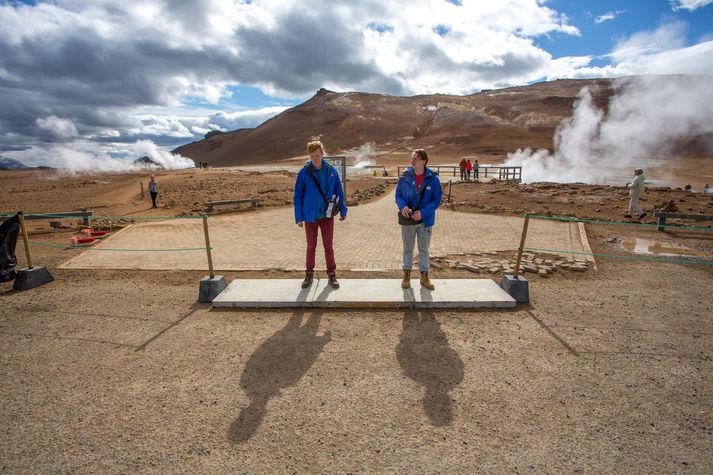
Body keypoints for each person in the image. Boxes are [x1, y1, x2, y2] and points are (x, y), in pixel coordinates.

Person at [294, 140, 347, 289]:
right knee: (311, 246)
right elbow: (298, 196)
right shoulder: (304, 173)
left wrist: (343, 210)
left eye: (317, 155)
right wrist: (299, 217)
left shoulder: (331, 171)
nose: (315, 159)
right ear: (309, 156)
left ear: (322, 154)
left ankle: (331, 274)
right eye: (312, 156)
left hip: (327, 216)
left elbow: (339, 192)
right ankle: (309, 274)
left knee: (328, 246)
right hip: (310, 216)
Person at [396, 149, 443, 290]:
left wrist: (423, 213)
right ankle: (407, 275)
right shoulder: (405, 176)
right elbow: (398, 195)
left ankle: (424, 276)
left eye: (415, 159)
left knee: (424, 250)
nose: (412, 161)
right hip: (408, 220)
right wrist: (403, 206)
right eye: (412, 158)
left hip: (425, 221)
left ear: (424, 161)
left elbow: (437, 200)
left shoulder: (433, 179)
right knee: (407, 249)